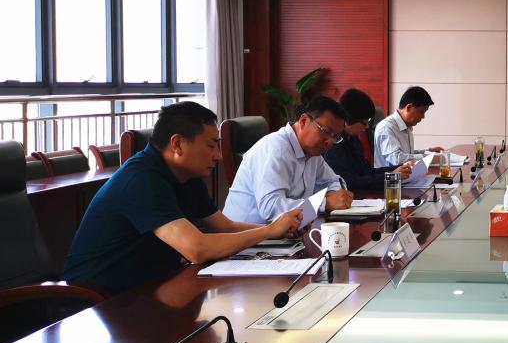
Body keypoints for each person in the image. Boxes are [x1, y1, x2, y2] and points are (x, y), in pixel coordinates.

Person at [61, 102, 302, 295]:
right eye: (211, 146)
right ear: (177, 144)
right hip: (99, 300)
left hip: (153, 287)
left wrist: (276, 231)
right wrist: (268, 231)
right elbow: (196, 249)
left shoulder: (187, 175)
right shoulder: (141, 179)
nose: (219, 155)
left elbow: (225, 227)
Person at [224, 96, 354, 224]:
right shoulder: (276, 150)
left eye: (335, 137)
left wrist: (334, 196)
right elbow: (271, 208)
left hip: (287, 232)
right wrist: (324, 203)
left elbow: (333, 181)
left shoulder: (313, 153)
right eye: (325, 131)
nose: (329, 141)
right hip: (247, 234)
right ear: (304, 121)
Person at [323, 88, 414, 190]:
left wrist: (402, 167)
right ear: (347, 120)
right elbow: (348, 183)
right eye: (364, 122)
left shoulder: (354, 140)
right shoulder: (333, 145)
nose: (367, 127)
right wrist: (391, 177)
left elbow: (367, 172)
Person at [373, 85, 444, 167]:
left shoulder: (406, 126)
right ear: (409, 107)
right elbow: (396, 158)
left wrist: (428, 150)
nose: (423, 117)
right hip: (391, 175)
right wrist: (427, 157)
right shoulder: (386, 127)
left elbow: (406, 154)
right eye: (422, 112)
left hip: (407, 173)